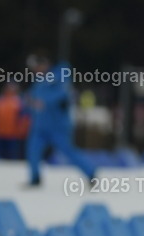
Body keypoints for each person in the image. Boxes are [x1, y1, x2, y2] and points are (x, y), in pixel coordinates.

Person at [23, 51, 97, 187]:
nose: (36, 71)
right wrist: (27, 104)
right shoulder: (39, 81)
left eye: (37, 67)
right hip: (40, 126)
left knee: (69, 151)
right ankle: (35, 178)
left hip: (58, 126)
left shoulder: (60, 74)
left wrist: (43, 101)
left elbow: (63, 93)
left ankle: (91, 173)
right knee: (33, 150)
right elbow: (30, 98)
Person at [0, 82, 29, 160]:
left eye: (12, 87)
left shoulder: (20, 102)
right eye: (9, 87)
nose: (10, 89)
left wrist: (21, 132)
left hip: (13, 135)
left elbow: (24, 119)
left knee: (11, 159)